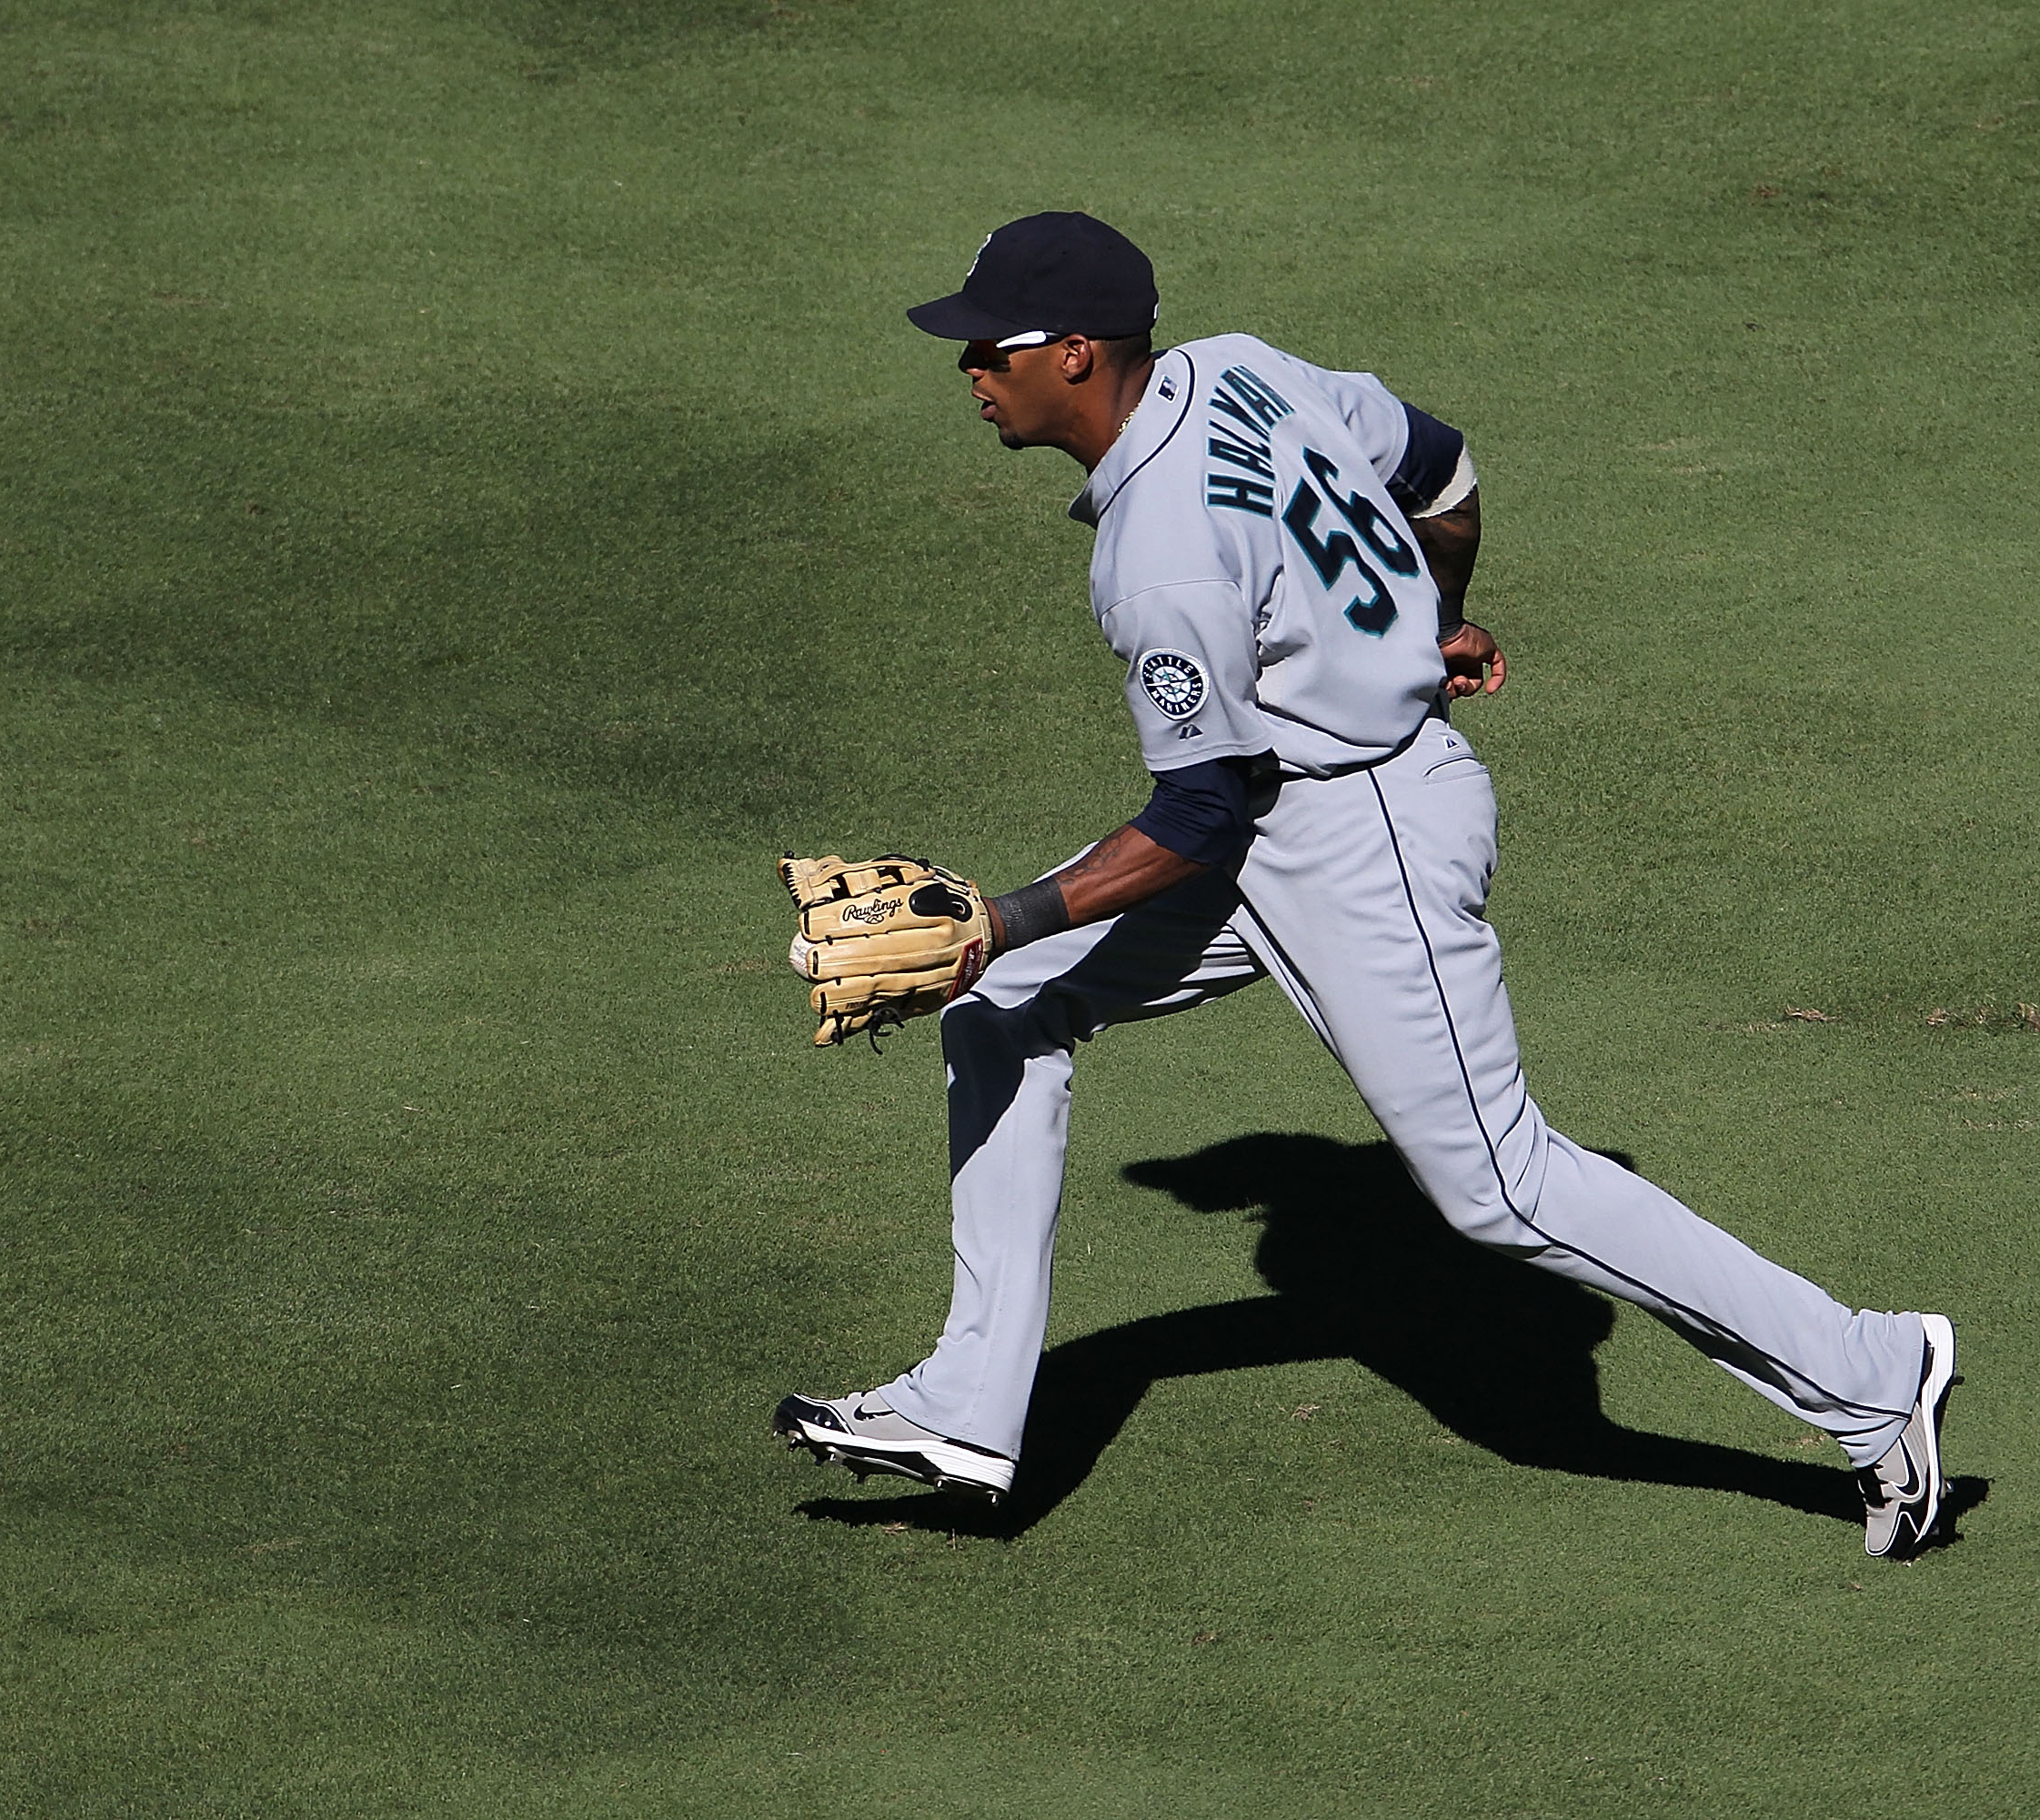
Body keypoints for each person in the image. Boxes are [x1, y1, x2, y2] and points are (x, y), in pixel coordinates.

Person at [774, 212, 1960, 1558]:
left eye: (993, 345)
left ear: (1079, 355)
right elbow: (1443, 471)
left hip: (1359, 836)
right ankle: (970, 1408)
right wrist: (1428, 614)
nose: (971, 367)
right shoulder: (1240, 367)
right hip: (1290, 809)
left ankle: (1874, 1375)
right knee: (1001, 1012)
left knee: (1498, 1186)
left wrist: (1001, 920)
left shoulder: (1158, 554)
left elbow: (1196, 813)